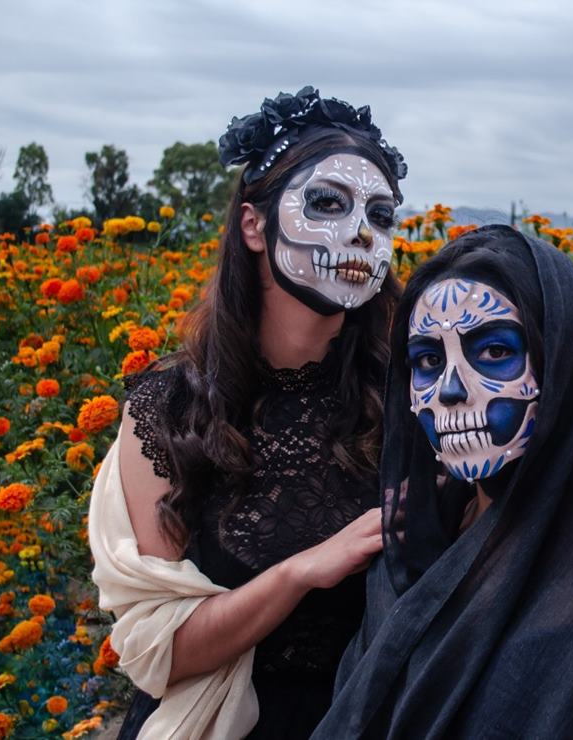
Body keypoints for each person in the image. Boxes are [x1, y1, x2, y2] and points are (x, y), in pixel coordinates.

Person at [88, 87, 406, 739]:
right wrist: (299, 574)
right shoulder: (169, 408)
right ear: (254, 226)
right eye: (326, 203)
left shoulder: (415, 397)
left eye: (381, 215)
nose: (360, 233)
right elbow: (159, 655)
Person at [312, 225, 573, 739]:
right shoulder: (418, 537)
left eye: (494, 352)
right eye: (429, 361)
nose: (451, 389)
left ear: (563, 365)